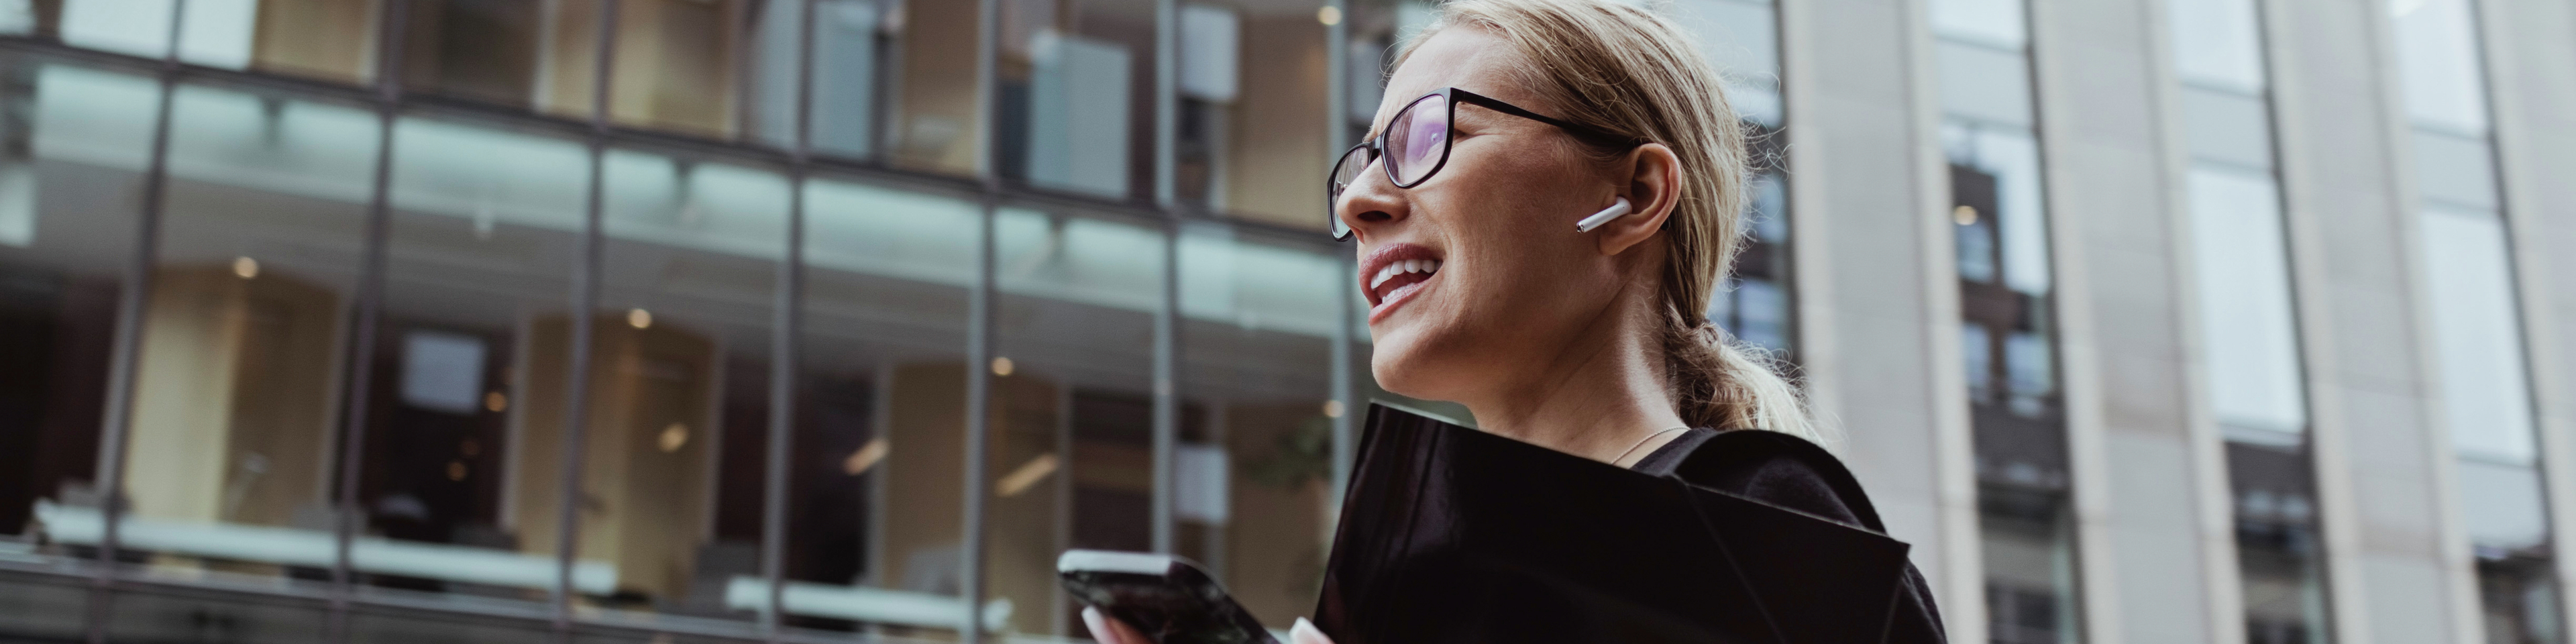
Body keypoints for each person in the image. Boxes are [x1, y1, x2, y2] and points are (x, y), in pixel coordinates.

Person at [1088, 0, 1945, 641]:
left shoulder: (1765, 517)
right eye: (1358, 163)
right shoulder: (1431, 590)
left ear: (1635, 195)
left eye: (1428, 137)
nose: (1357, 201)